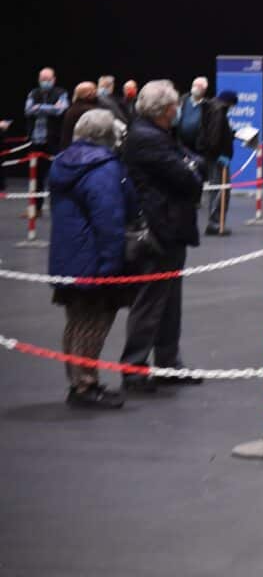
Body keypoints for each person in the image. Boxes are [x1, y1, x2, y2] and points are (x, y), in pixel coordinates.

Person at [119, 80, 206, 391]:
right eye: (174, 106)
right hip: (157, 229)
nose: (177, 110)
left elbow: (196, 164)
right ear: (165, 110)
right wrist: (192, 168)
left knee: (169, 302)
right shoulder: (147, 138)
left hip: (170, 227)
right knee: (151, 301)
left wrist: (192, 167)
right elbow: (188, 177)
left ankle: (169, 364)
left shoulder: (159, 134)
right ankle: (134, 367)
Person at [48, 109, 137, 409]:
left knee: (75, 320)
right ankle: (86, 385)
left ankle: (77, 382)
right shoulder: (103, 167)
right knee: (95, 320)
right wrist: (112, 264)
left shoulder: (62, 162)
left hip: (67, 254)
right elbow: (108, 218)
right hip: (94, 256)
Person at [24, 66, 69, 213]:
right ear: (39, 80)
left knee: (56, 176)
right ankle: (35, 208)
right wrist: (50, 108)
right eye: (43, 79)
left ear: (54, 80)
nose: (45, 82)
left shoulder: (61, 93)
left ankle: (58, 208)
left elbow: (61, 109)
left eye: (48, 79)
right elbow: (28, 110)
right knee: (35, 177)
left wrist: (39, 107)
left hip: (53, 141)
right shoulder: (33, 93)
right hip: (36, 141)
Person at [201, 91, 237, 236]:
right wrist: (220, 154)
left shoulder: (213, 108)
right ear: (229, 102)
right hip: (217, 158)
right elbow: (214, 136)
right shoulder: (218, 112)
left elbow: (216, 133)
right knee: (220, 191)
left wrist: (229, 133)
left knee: (218, 190)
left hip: (213, 156)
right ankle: (215, 223)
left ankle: (215, 222)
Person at [59, 82, 102, 152]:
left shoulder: (73, 108)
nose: (97, 93)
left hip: (71, 150)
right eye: (95, 90)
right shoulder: (89, 110)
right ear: (88, 94)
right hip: (83, 152)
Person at [175, 77, 209, 154]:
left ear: (204, 90)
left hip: (199, 147)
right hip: (180, 144)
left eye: (199, 86)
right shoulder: (182, 101)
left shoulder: (208, 106)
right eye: (194, 85)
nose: (196, 88)